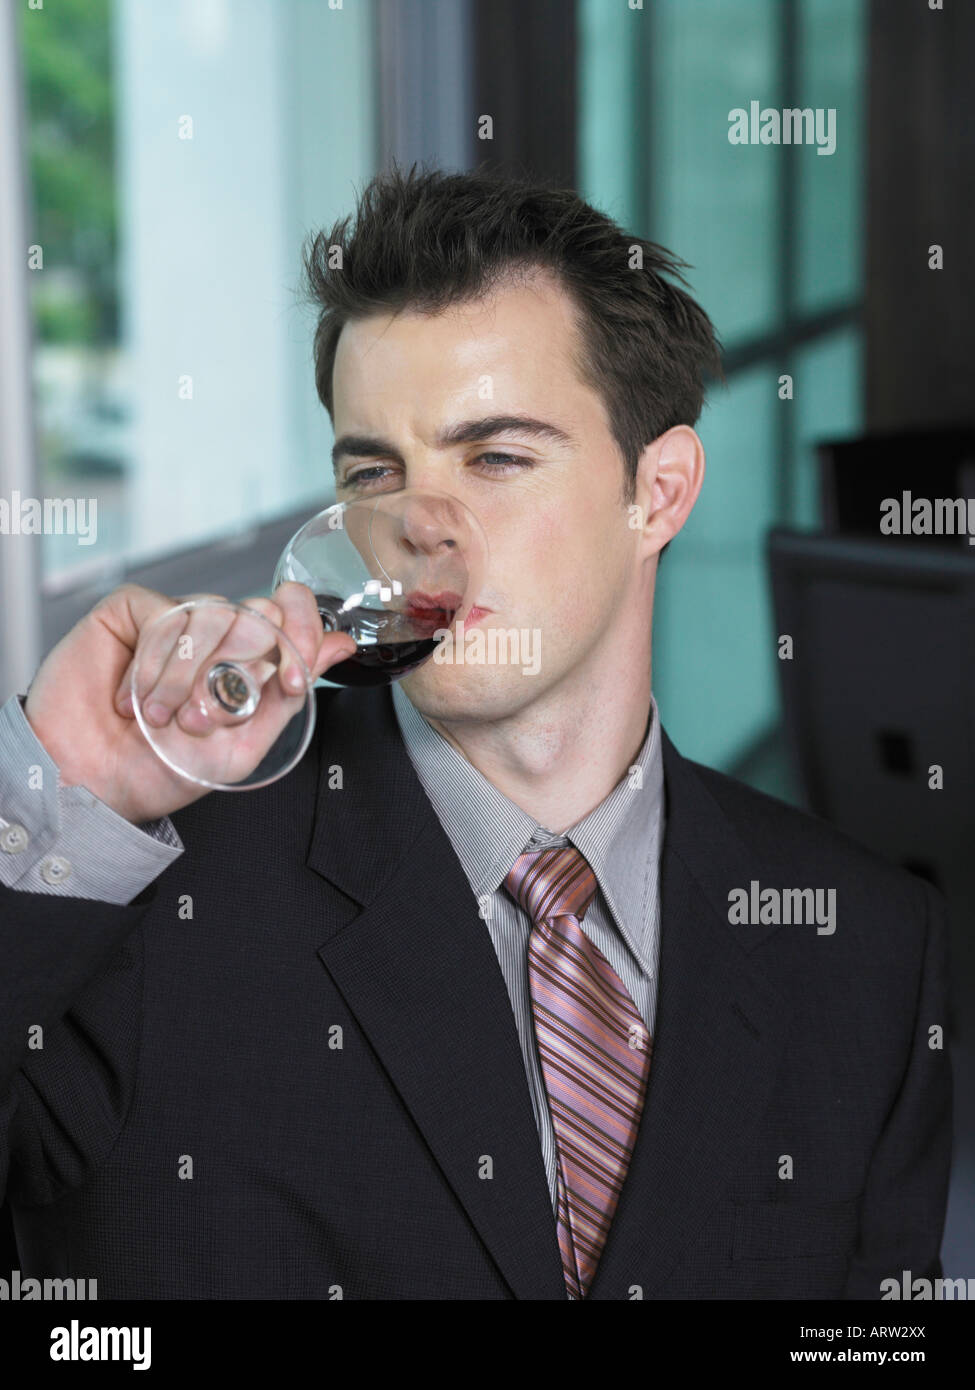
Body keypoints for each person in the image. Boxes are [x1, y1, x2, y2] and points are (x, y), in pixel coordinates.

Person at [0, 165, 951, 1300]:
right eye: (375, 470)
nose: (420, 528)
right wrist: (50, 795)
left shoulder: (869, 947)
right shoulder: (135, 904)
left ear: (660, 491)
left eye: (495, 457)